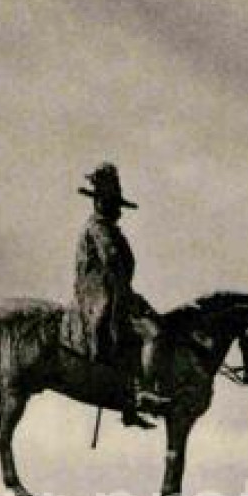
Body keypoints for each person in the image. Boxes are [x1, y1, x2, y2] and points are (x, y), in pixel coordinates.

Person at [74, 163, 166, 429]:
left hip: (116, 290)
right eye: (111, 202)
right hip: (100, 294)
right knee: (151, 334)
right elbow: (112, 262)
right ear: (99, 202)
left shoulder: (110, 230)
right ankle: (143, 394)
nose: (116, 209)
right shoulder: (99, 229)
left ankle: (129, 406)